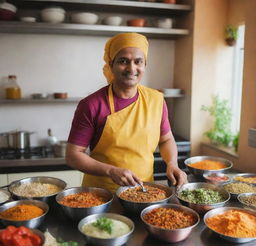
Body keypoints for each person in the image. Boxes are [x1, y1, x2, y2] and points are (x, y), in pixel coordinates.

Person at [66, 32, 187, 193]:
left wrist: (172, 163)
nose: (131, 68)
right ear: (111, 64)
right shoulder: (91, 105)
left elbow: (166, 140)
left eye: (138, 62)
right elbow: (73, 156)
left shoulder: (156, 100)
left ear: (145, 65)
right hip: (102, 195)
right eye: (123, 61)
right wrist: (110, 171)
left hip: (144, 192)